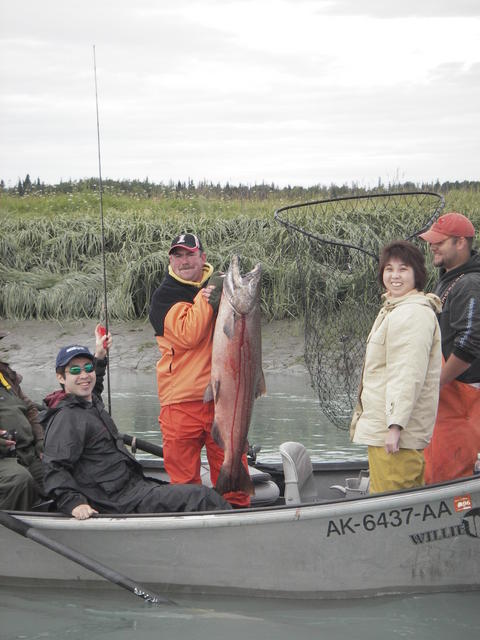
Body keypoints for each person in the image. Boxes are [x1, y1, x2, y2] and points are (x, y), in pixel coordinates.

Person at [40, 324, 230, 520]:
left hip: (133, 486)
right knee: (202, 497)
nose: (84, 375)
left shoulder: (86, 402)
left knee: (192, 492)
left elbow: (93, 386)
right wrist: (73, 503)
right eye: (75, 370)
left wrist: (100, 356)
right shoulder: (66, 418)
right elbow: (54, 466)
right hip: (118, 500)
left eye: (87, 368)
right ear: (60, 377)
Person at [149, 233, 251, 508]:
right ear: (170, 260)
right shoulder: (163, 297)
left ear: (202, 257)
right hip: (180, 404)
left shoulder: (220, 288)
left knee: (234, 474)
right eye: (178, 255)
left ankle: (238, 522)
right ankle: (188, 530)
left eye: (190, 254)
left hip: (223, 400)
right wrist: (206, 300)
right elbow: (188, 335)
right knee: (183, 485)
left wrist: (222, 292)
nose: (184, 261)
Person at [350, 241, 442, 494]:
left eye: (403, 269)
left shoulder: (412, 313)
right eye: (389, 269)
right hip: (385, 431)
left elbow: (407, 374)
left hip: (394, 435)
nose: (395, 276)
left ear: (417, 274)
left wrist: (395, 427)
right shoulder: (395, 308)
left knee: (390, 504)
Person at [419, 212, 480, 483]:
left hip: (461, 396)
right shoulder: (449, 276)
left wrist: (436, 384)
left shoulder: (469, 283)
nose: (432, 246)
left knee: (450, 475)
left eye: (439, 241)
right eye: (431, 241)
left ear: (461, 243)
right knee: (434, 467)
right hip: (447, 395)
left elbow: (469, 344)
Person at [0, 330, 45, 506]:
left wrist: (40, 439)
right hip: (4, 459)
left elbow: (31, 409)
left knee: (57, 474)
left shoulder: (6, 376)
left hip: (26, 452)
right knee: (19, 481)